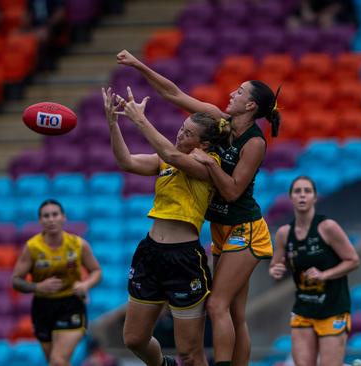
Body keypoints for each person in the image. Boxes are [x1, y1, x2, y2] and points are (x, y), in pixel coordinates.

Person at [116, 49, 279, 366]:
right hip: (220, 228)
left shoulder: (255, 143)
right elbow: (173, 92)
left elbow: (232, 192)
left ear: (251, 105)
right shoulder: (219, 121)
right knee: (234, 311)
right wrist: (139, 65)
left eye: (240, 91)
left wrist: (210, 165)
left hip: (245, 228)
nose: (232, 93)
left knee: (218, 305)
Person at [102, 86, 230, 366]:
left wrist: (139, 120)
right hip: (150, 253)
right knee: (134, 339)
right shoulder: (165, 160)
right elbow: (126, 161)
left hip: (183, 258)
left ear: (204, 144)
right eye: (181, 128)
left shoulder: (208, 164)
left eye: (188, 133)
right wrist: (114, 125)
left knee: (189, 352)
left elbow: (173, 156)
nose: (180, 134)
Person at [268, 176, 360, 366]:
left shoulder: (327, 227)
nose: (302, 195)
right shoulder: (284, 234)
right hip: (304, 310)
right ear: (291, 197)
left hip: (333, 308)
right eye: (297, 191)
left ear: (315, 198)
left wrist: (324, 275)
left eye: (307, 191)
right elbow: (276, 268)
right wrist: (276, 271)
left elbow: (353, 260)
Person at [12, 199, 102, 366]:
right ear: (40, 220)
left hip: (71, 304)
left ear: (63, 217)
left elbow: (96, 271)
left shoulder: (78, 244)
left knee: (57, 361)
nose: (51, 219)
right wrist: (38, 286)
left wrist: (85, 285)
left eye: (55, 214)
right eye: (46, 216)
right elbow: (16, 280)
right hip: (42, 307)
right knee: (55, 361)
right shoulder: (32, 248)